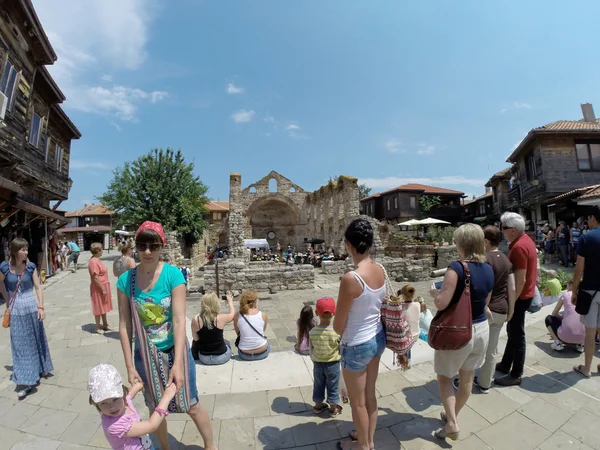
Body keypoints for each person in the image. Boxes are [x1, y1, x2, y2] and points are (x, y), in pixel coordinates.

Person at [116, 221, 217, 450]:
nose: (148, 251)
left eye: (154, 246)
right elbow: (125, 326)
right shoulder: (125, 281)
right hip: (145, 355)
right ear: (136, 247)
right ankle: (166, 448)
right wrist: (130, 366)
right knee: (154, 408)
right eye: (142, 246)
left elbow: (180, 320)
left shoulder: (173, 276)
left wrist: (179, 363)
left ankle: (211, 447)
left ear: (162, 245)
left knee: (191, 404)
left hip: (175, 350)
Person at [429, 224, 493, 440]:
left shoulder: (456, 269)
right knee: (466, 381)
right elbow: (485, 301)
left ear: (462, 243)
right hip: (482, 328)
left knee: (445, 378)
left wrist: (434, 293)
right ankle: (452, 416)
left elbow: (441, 303)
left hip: (460, 332)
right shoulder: (488, 268)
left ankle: (452, 424)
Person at [333, 219, 386, 450]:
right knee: (370, 396)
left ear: (347, 244)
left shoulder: (350, 279)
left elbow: (338, 326)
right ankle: (369, 440)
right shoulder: (381, 269)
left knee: (358, 403)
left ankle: (363, 446)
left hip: (356, 345)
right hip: (377, 337)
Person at [454, 226, 516, 394]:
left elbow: (481, 287)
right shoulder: (506, 260)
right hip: (502, 310)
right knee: (492, 350)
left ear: (486, 241)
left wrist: (482, 306)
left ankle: (463, 379)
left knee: (471, 347)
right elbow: (512, 288)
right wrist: (511, 311)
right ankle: (485, 383)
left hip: (486, 310)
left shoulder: (484, 260)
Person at [0, 238, 53, 399]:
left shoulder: (30, 267)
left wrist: (41, 306)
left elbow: (38, 287)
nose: (26, 252)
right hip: (15, 310)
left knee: (36, 340)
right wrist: (7, 299)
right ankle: (26, 380)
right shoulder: (4, 267)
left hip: (31, 308)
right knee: (20, 345)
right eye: (23, 249)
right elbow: (0, 284)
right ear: (15, 251)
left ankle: (38, 369)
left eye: (26, 249)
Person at [88, 363, 177, 450]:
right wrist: (166, 397)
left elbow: (130, 394)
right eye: (103, 403)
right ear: (96, 404)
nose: (112, 407)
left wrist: (139, 385)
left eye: (115, 399)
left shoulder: (124, 401)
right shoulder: (115, 426)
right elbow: (152, 425)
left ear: (122, 393)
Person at [495, 212, 538, 386]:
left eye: (503, 228)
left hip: (520, 297)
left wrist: (511, 304)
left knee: (517, 334)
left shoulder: (519, 247)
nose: (501, 231)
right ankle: (506, 364)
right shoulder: (525, 241)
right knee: (513, 332)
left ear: (512, 230)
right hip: (525, 295)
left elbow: (520, 280)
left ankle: (516, 374)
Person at [572, 205, 600, 378]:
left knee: (590, 332)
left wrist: (574, 291)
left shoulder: (586, 238)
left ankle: (587, 368)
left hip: (590, 290)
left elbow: (578, 269)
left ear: (593, 218)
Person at [310, 297, 342, 417]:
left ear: (316, 313)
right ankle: (333, 408)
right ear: (334, 313)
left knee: (318, 384)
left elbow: (310, 349)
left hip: (318, 363)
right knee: (332, 386)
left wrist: (314, 358)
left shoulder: (312, 331)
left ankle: (318, 406)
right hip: (333, 364)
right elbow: (341, 348)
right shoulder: (337, 332)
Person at [191, 293, 234, 365]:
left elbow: (196, 339)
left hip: (204, 358)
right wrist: (230, 303)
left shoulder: (196, 320)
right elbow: (232, 315)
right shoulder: (220, 318)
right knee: (227, 343)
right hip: (221, 357)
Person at [545, 281, 585, 352]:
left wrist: (562, 318)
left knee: (548, 318)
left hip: (565, 337)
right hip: (583, 337)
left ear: (570, 285)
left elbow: (554, 314)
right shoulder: (585, 296)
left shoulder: (566, 294)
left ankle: (557, 343)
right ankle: (580, 345)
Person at [234, 290, 270, 361]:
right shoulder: (263, 315)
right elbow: (263, 330)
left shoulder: (237, 316)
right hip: (262, 352)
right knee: (267, 343)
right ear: (255, 301)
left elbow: (238, 332)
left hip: (244, 354)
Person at [88, 243, 113, 333]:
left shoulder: (97, 260)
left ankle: (105, 324)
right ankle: (98, 327)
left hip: (104, 285)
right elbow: (95, 277)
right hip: (98, 287)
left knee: (104, 306)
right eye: (101, 249)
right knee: (98, 306)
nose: (102, 250)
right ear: (98, 251)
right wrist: (102, 289)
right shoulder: (93, 262)